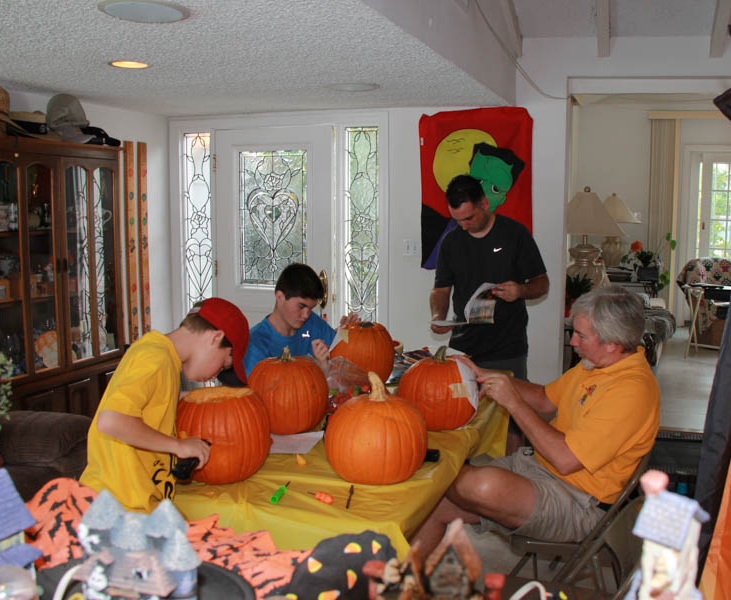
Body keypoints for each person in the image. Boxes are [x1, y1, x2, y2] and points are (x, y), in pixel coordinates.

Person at [411, 286, 660, 560]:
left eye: (581, 335)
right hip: (540, 469)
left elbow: (565, 459)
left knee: (475, 485)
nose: (573, 342)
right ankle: (403, 585)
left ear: (612, 343)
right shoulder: (599, 363)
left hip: (581, 501)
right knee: (429, 503)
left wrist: (513, 403)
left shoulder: (631, 391)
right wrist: (486, 375)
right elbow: (544, 399)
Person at [80, 297, 250, 513]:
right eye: (222, 365)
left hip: (138, 505)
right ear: (216, 337)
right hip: (116, 509)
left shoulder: (166, 360)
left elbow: (152, 400)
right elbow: (111, 420)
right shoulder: (154, 357)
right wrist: (177, 446)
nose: (214, 375)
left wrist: (188, 398)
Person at [430, 174, 549, 452]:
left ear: (484, 204)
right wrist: (438, 316)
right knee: (459, 414)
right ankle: (464, 475)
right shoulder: (451, 242)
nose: (463, 225)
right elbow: (441, 290)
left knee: (511, 419)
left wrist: (520, 290)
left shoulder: (515, 234)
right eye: (457, 219)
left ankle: (512, 474)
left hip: (507, 346)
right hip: (464, 346)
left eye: (469, 218)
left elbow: (542, 284)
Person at [243, 262, 359, 376]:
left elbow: (343, 359)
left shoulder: (312, 324)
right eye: (301, 306)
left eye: (311, 308)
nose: (306, 315)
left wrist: (345, 334)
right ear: (280, 297)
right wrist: (320, 369)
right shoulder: (255, 344)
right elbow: (267, 391)